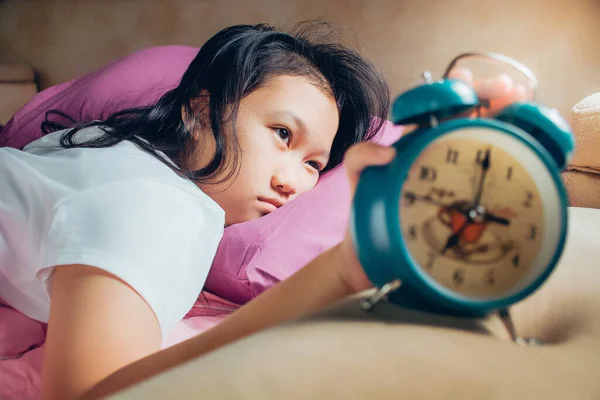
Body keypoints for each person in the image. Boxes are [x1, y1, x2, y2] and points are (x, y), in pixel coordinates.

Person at [0, 23, 526, 400]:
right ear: (200, 108)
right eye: (281, 134)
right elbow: (89, 392)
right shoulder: (156, 204)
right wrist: (342, 269)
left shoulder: (104, 148)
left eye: (315, 164)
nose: (292, 181)